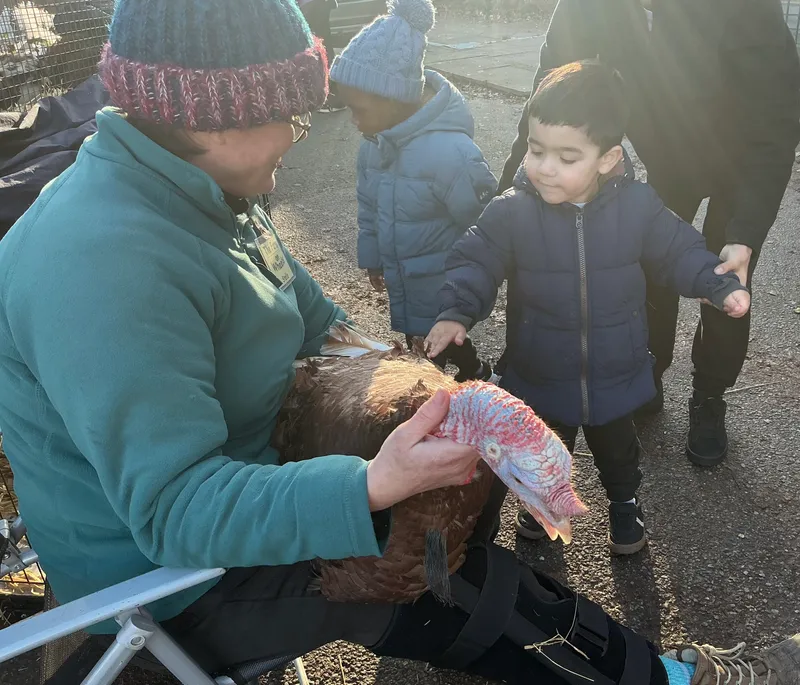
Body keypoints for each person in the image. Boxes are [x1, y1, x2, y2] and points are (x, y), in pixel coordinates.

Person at [0, 2, 796, 684]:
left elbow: (312, 316)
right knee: (472, 592)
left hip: (256, 474)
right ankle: (670, 675)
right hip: (178, 581)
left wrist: (411, 381)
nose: (297, 139)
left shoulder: (202, 192)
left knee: (461, 532)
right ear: (207, 114)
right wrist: (371, 486)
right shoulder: (107, 266)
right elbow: (176, 510)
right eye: (291, 116)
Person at [426, 61, 751, 555]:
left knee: (617, 451)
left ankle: (624, 504)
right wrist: (455, 311)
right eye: (536, 150)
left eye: (567, 156)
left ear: (607, 158)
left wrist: (714, 282)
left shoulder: (637, 206)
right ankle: (543, 505)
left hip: (613, 368)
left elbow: (677, 248)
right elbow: (475, 259)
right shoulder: (513, 210)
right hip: (540, 367)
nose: (545, 167)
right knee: (541, 451)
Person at [497, 0, 800, 467]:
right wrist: (507, 199)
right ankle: (648, 373)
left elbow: (778, 120)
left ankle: (710, 392)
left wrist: (746, 232)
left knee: (725, 273)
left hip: (741, 162)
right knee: (647, 264)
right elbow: (550, 92)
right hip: (665, 153)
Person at [330, 0, 497, 382]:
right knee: (424, 336)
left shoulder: (451, 153)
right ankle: (473, 370)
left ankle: (437, 395)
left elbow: (485, 225)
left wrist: (475, 279)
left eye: (361, 110)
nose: (354, 121)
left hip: (442, 281)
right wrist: (373, 257)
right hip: (404, 273)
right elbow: (368, 205)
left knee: (426, 354)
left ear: (396, 98)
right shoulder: (374, 143)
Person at [297, 0, 346, 111]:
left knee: (320, 48)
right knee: (321, 47)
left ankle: (334, 98)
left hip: (312, 5)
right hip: (316, 4)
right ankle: (335, 95)